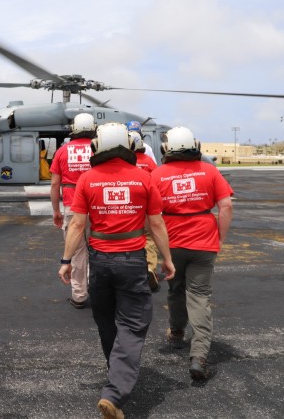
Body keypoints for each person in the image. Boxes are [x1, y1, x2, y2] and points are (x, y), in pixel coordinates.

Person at [58, 122, 175, 419]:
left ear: (96, 147)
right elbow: (157, 224)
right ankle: (115, 392)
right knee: (134, 322)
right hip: (132, 259)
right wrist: (166, 259)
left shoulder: (87, 179)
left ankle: (116, 371)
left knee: (106, 319)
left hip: (99, 260)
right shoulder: (144, 178)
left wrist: (66, 260)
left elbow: (76, 225)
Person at [150, 126, 233, 380]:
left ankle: (176, 333)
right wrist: (219, 237)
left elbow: (150, 214)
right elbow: (226, 205)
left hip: (172, 243)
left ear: (166, 149)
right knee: (199, 297)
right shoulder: (209, 170)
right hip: (204, 243)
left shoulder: (158, 174)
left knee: (175, 290)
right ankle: (199, 356)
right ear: (195, 146)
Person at [50, 113, 96, 309]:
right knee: (98, 249)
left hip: (72, 207)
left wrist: (56, 211)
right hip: (97, 208)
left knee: (76, 252)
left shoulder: (62, 151)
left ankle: (79, 295)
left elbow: (54, 185)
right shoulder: (98, 149)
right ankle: (96, 286)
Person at [128, 130, 160, 292]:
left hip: (130, 208)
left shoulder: (126, 163)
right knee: (149, 239)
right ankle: (150, 268)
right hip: (147, 207)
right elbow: (156, 181)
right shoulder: (148, 161)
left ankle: (132, 270)